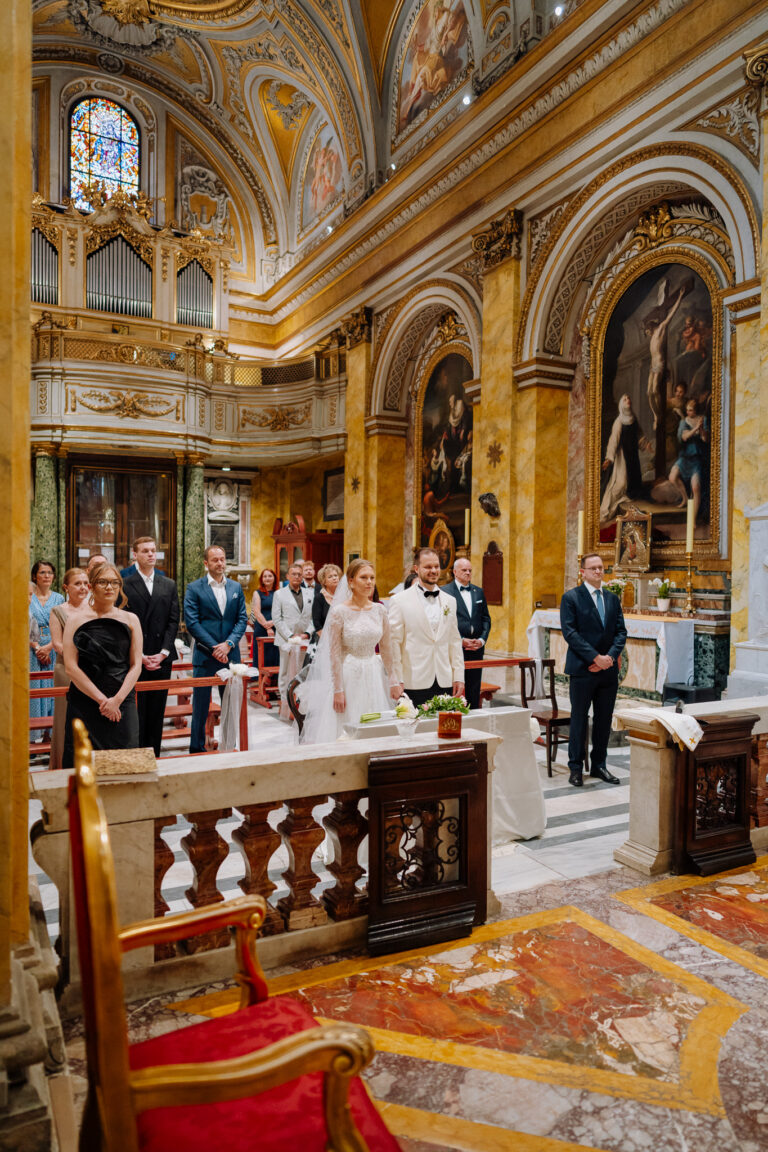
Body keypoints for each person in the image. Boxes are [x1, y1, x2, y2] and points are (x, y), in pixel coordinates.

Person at [297, 559, 399, 744]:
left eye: (372, 578)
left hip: (373, 672)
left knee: (375, 725)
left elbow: (386, 647)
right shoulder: (339, 612)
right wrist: (338, 689)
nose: (369, 582)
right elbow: (334, 653)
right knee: (348, 726)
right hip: (349, 674)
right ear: (351, 581)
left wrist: (392, 679)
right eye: (363, 578)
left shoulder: (380, 610)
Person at [61, 563, 143, 768]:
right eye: (103, 582)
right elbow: (71, 667)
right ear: (91, 586)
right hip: (85, 701)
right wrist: (102, 701)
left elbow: (136, 665)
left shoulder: (131, 619)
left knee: (125, 762)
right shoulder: (75, 620)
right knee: (83, 764)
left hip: (122, 700)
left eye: (115, 582)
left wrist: (116, 700)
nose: (110, 587)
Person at [559, 554, 627, 788]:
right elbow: (570, 633)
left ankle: (599, 764)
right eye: (593, 568)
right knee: (579, 718)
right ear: (583, 572)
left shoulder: (612, 598)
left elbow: (621, 631)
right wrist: (595, 657)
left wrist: (609, 658)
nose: (598, 572)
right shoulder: (571, 598)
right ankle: (576, 767)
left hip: (607, 671)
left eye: (601, 568)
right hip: (582, 668)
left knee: (604, 719)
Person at [184, 545, 248, 754]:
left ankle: (229, 746)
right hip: (205, 654)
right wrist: (214, 647)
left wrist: (229, 644)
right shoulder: (194, 588)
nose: (220, 563)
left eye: (222, 559)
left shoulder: (236, 588)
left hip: (231, 656)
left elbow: (241, 619)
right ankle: (197, 748)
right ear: (206, 563)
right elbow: (192, 623)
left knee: (230, 705)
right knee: (200, 707)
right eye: (215, 560)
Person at [122, 536, 180, 756]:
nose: (151, 555)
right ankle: (137, 754)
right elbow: (124, 622)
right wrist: (140, 655)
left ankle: (154, 754)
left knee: (157, 709)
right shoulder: (125, 583)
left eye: (153, 551)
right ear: (134, 554)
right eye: (145, 551)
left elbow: (173, 620)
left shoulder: (168, 584)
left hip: (161, 656)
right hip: (137, 657)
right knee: (137, 710)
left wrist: (164, 652)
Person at [388, 547, 464, 707]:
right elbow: (393, 643)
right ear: (417, 569)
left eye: (436, 566)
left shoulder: (450, 601)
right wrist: (397, 678)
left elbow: (454, 642)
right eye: (428, 567)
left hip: (444, 678)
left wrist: (458, 676)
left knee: (443, 728)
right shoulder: (399, 601)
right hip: (413, 679)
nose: (434, 570)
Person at [49, 567, 90, 770]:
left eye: (85, 583)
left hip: (91, 671)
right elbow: (57, 644)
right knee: (65, 718)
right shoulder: (58, 611)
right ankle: (62, 766)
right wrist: (85, 656)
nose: (83, 587)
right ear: (66, 587)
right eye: (77, 583)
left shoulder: (94, 608)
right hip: (66, 670)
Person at [443, 557, 491, 710]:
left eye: (470, 570)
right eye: (464, 570)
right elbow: (444, 622)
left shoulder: (479, 592)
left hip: (476, 648)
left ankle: (474, 716)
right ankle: (451, 715)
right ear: (455, 572)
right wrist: (460, 640)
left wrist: (482, 640)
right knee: (453, 685)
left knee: (474, 686)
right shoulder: (445, 592)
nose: (468, 573)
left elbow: (486, 619)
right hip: (455, 647)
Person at [599, 394, 651, 524]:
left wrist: (646, 444)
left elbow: (639, 435)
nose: (628, 400)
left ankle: (633, 492)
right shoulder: (619, 421)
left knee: (634, 478)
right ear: (621, 404)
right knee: (620, 484)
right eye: (625, 399)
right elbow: (613, 441)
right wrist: (609, 458)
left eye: (629, 398)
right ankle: (607, 511)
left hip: (633, 454)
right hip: (623, 456)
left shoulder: (633, 418)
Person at [29, 560, 65, 732]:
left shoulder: (59, 598)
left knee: (53, 691)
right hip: (32, 649)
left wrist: (49, 646)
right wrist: (37, 648)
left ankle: (50, 734)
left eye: (50, 572)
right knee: (35, 692)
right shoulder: (28, 596)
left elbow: (64, 626)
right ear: (35, 576)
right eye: (42, 572)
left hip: (54, 646)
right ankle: (34, 733)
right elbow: (23, 624)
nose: (46, 576)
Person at [272, 563, 313, 709]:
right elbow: (277, 618)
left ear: (302, 577)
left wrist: (307, 633)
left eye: (299, 574)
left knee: (301, 671)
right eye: (293, 574)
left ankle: (299, 701)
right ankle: (286, 703)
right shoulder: (279, 594)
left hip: (304, 640)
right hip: (286, 639)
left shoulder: (310, 593)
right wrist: (290, 636)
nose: (296, 576)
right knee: (285, 672)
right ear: (287, 576)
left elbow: (314, 618)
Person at [669, 397, 709, 526]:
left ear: (696, 410)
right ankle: (685, 498)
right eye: (687, 410)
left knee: (696, 487)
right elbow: (684, 437)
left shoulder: (703, 420)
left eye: (691, 410)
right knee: (672, 477)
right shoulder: (683, 422)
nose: (688, 412)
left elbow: (705, 439)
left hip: (696, 460)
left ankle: (693, 519)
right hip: (685, 458)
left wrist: (701, 429)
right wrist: (695, 428)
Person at [250, 567, 278, 670]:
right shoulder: (257, 593)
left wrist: (274, 622)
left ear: (274, 578)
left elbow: (283, 612)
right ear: (261, 579)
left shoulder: (279, 593)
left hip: (276, 626)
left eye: (270, 576)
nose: (267, 578)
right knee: (262, 655)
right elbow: (257, 611)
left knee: (274, 654)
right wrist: (267, 627)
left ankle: (274, 680)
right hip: (261, 627)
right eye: (265, 576)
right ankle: (260, 679)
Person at [312, 563, 341, 636]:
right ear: (324, 581)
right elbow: (317, 624)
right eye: (330, 577)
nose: (334, 578)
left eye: (335, 575)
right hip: (325, 638)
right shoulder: (319, 598)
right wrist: (326, 640)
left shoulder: (344, 596)